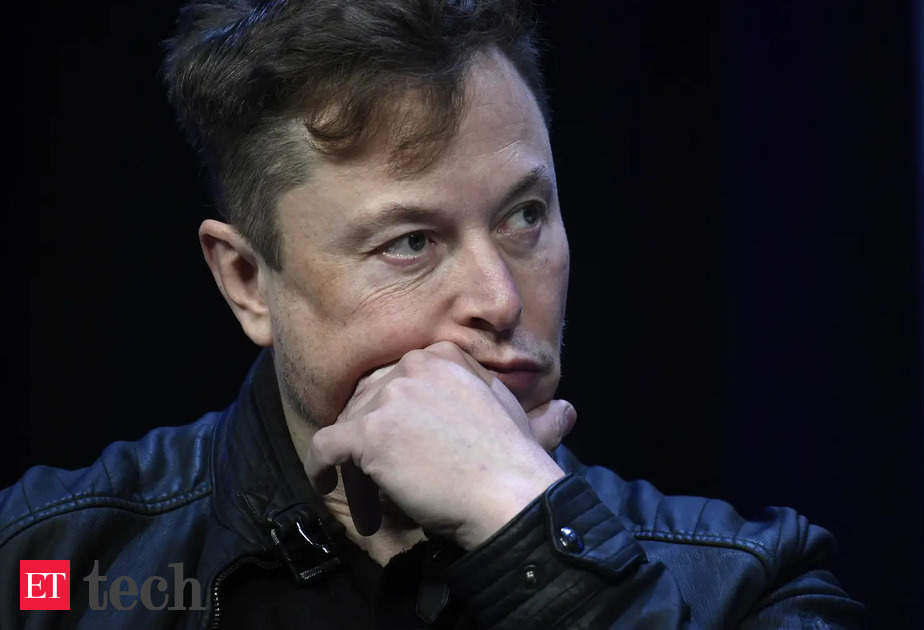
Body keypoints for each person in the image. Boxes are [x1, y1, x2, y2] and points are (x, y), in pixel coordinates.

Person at [1, 1, 865, 627]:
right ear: (247, 281)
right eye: (411, 242)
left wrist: (526, 529)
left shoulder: (747, 585)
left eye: (524, 215)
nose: (500, 300)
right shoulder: (50, 565)